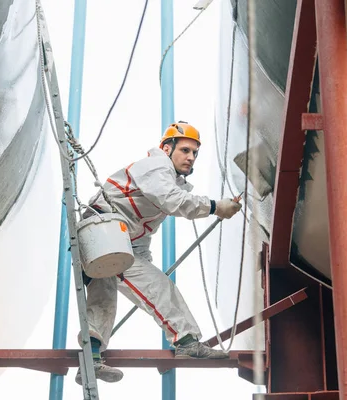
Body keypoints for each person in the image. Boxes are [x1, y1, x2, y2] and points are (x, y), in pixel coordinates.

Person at [75, 121, 242, 385]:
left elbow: (139, 229)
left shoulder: (165, 177)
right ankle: (186, 341)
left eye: (195, 153)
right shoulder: (156, 167)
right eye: (185, 150)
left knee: (103, 299)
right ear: (167, 148)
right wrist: (214, 206)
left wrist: (144, 262)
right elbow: (172, 200)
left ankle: (90, 360)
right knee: (159, 288)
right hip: (104, 233)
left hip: (108, 238)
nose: (191, 157)